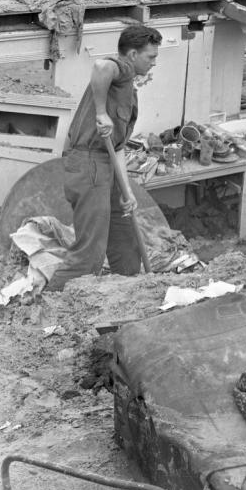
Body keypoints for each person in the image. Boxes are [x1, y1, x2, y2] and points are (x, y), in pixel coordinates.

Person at [47, 23, 162, 291]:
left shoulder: (128, 88)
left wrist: (126, 190)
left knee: (126, 240)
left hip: (107, 165)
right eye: (151, 56)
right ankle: (51, 305)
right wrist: (100, 112)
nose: (154, 62)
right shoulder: (121, 70)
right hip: (88, 165)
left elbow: (118, 146)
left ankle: (129, 295)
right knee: (90, 253)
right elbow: (100, 67)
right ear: (132, 55)